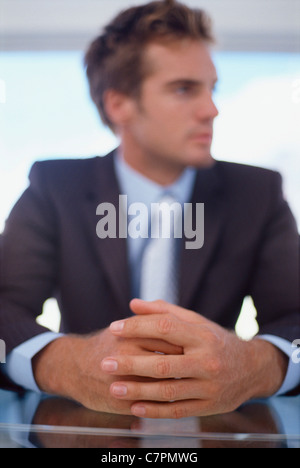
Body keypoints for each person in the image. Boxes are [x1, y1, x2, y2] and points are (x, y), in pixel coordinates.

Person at [0, 0, 299, 419]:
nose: (211, 109)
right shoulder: (55, 187)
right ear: (119, 104)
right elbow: (4, 307)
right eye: (184, 89)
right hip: (82, 430)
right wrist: (64, 363)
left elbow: (296, 317)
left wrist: (257, 366)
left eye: (212, 88)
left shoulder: (258, 192)